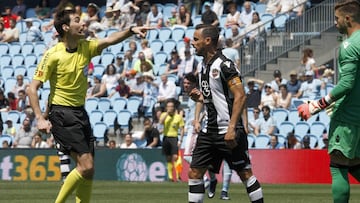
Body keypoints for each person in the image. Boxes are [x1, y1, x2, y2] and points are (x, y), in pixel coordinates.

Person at [26, 5, 149, 202]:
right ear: (66, 27)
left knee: (88, 171)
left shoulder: (86, 47)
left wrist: (130, 31)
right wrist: (40, 118)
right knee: (86, 166)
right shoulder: (52, 55)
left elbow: (109, 40)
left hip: (80, 114)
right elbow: (32, 89)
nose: (83, 23)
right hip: (62, 114)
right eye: (77, 20)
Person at [188, 24, 263, 203]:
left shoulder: (225, 65)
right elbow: (215, 97)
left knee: (245, 173)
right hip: (209, 131)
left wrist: (231, 128)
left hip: (228, 130)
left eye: (196, 39)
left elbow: (240, 96)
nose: (192, 43)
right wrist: (200, 97)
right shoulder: (202, 66)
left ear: (207, 41)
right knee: (194, 172)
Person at [298, 1, 360, 202]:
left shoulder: (350, 45)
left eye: (337, 18)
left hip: (348, 117)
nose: (335, 23)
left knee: (338, 165)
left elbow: (347, 84)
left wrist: (316, 105)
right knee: (355, 163)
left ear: (347, 19)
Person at [160, 99, 184, 182]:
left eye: (171, 106)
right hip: (166, 137)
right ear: (166, 107)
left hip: (174, 137)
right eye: (168, 106)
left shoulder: (178, 117)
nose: (170, 108)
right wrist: (167, 113)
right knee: (168, 157)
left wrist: (180, 140)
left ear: (174, 108)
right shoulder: (164, 115)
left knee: (176, 157)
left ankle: (178, 176)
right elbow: (160, 122)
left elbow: (182, 129)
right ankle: (170, 177)